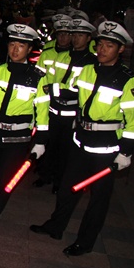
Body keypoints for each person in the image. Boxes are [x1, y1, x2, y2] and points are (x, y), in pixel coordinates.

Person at [30, 22, 134, 256]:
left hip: (106, 148)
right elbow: (74, 93)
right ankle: (56, 226)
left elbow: (133, 121)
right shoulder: (89, 68)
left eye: (109, 45)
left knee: (98, 200)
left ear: (120, 50)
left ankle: (85, 242)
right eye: (100, 44)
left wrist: (125, 152)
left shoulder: (128, 80)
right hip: (80, 141)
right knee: (67, 188)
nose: (102, 49)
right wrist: (49, 90)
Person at [0, 24, 49, 240]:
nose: (15, 49)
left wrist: (40, 141)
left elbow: (42, 112)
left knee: (5, 183)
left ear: (29, 49)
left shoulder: (39, 78)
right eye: (12, 44)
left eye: (20, 45)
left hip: (18, 140)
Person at [34, 19, 97, 193]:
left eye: (80, 35)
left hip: (72, 113)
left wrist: (55, 89)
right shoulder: (62, 56)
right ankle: (44, 176)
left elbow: (79, 90)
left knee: (65, 151)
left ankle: (59, 182)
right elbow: (47, 80)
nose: (76, 39)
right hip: (53, 109)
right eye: (74, 35)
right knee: (50, 145)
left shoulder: (92, 62)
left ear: (89, 38)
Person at [32, 15, 73, 188]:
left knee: (63, 148)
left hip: (66, 108)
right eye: (60, 33)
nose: (63, 37)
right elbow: (38, 77)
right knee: (45, 142)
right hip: (45, 106)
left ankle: (58, 180)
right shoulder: (47, 53)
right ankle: (44, 174)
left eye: (67, 34)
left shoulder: (74, 57)